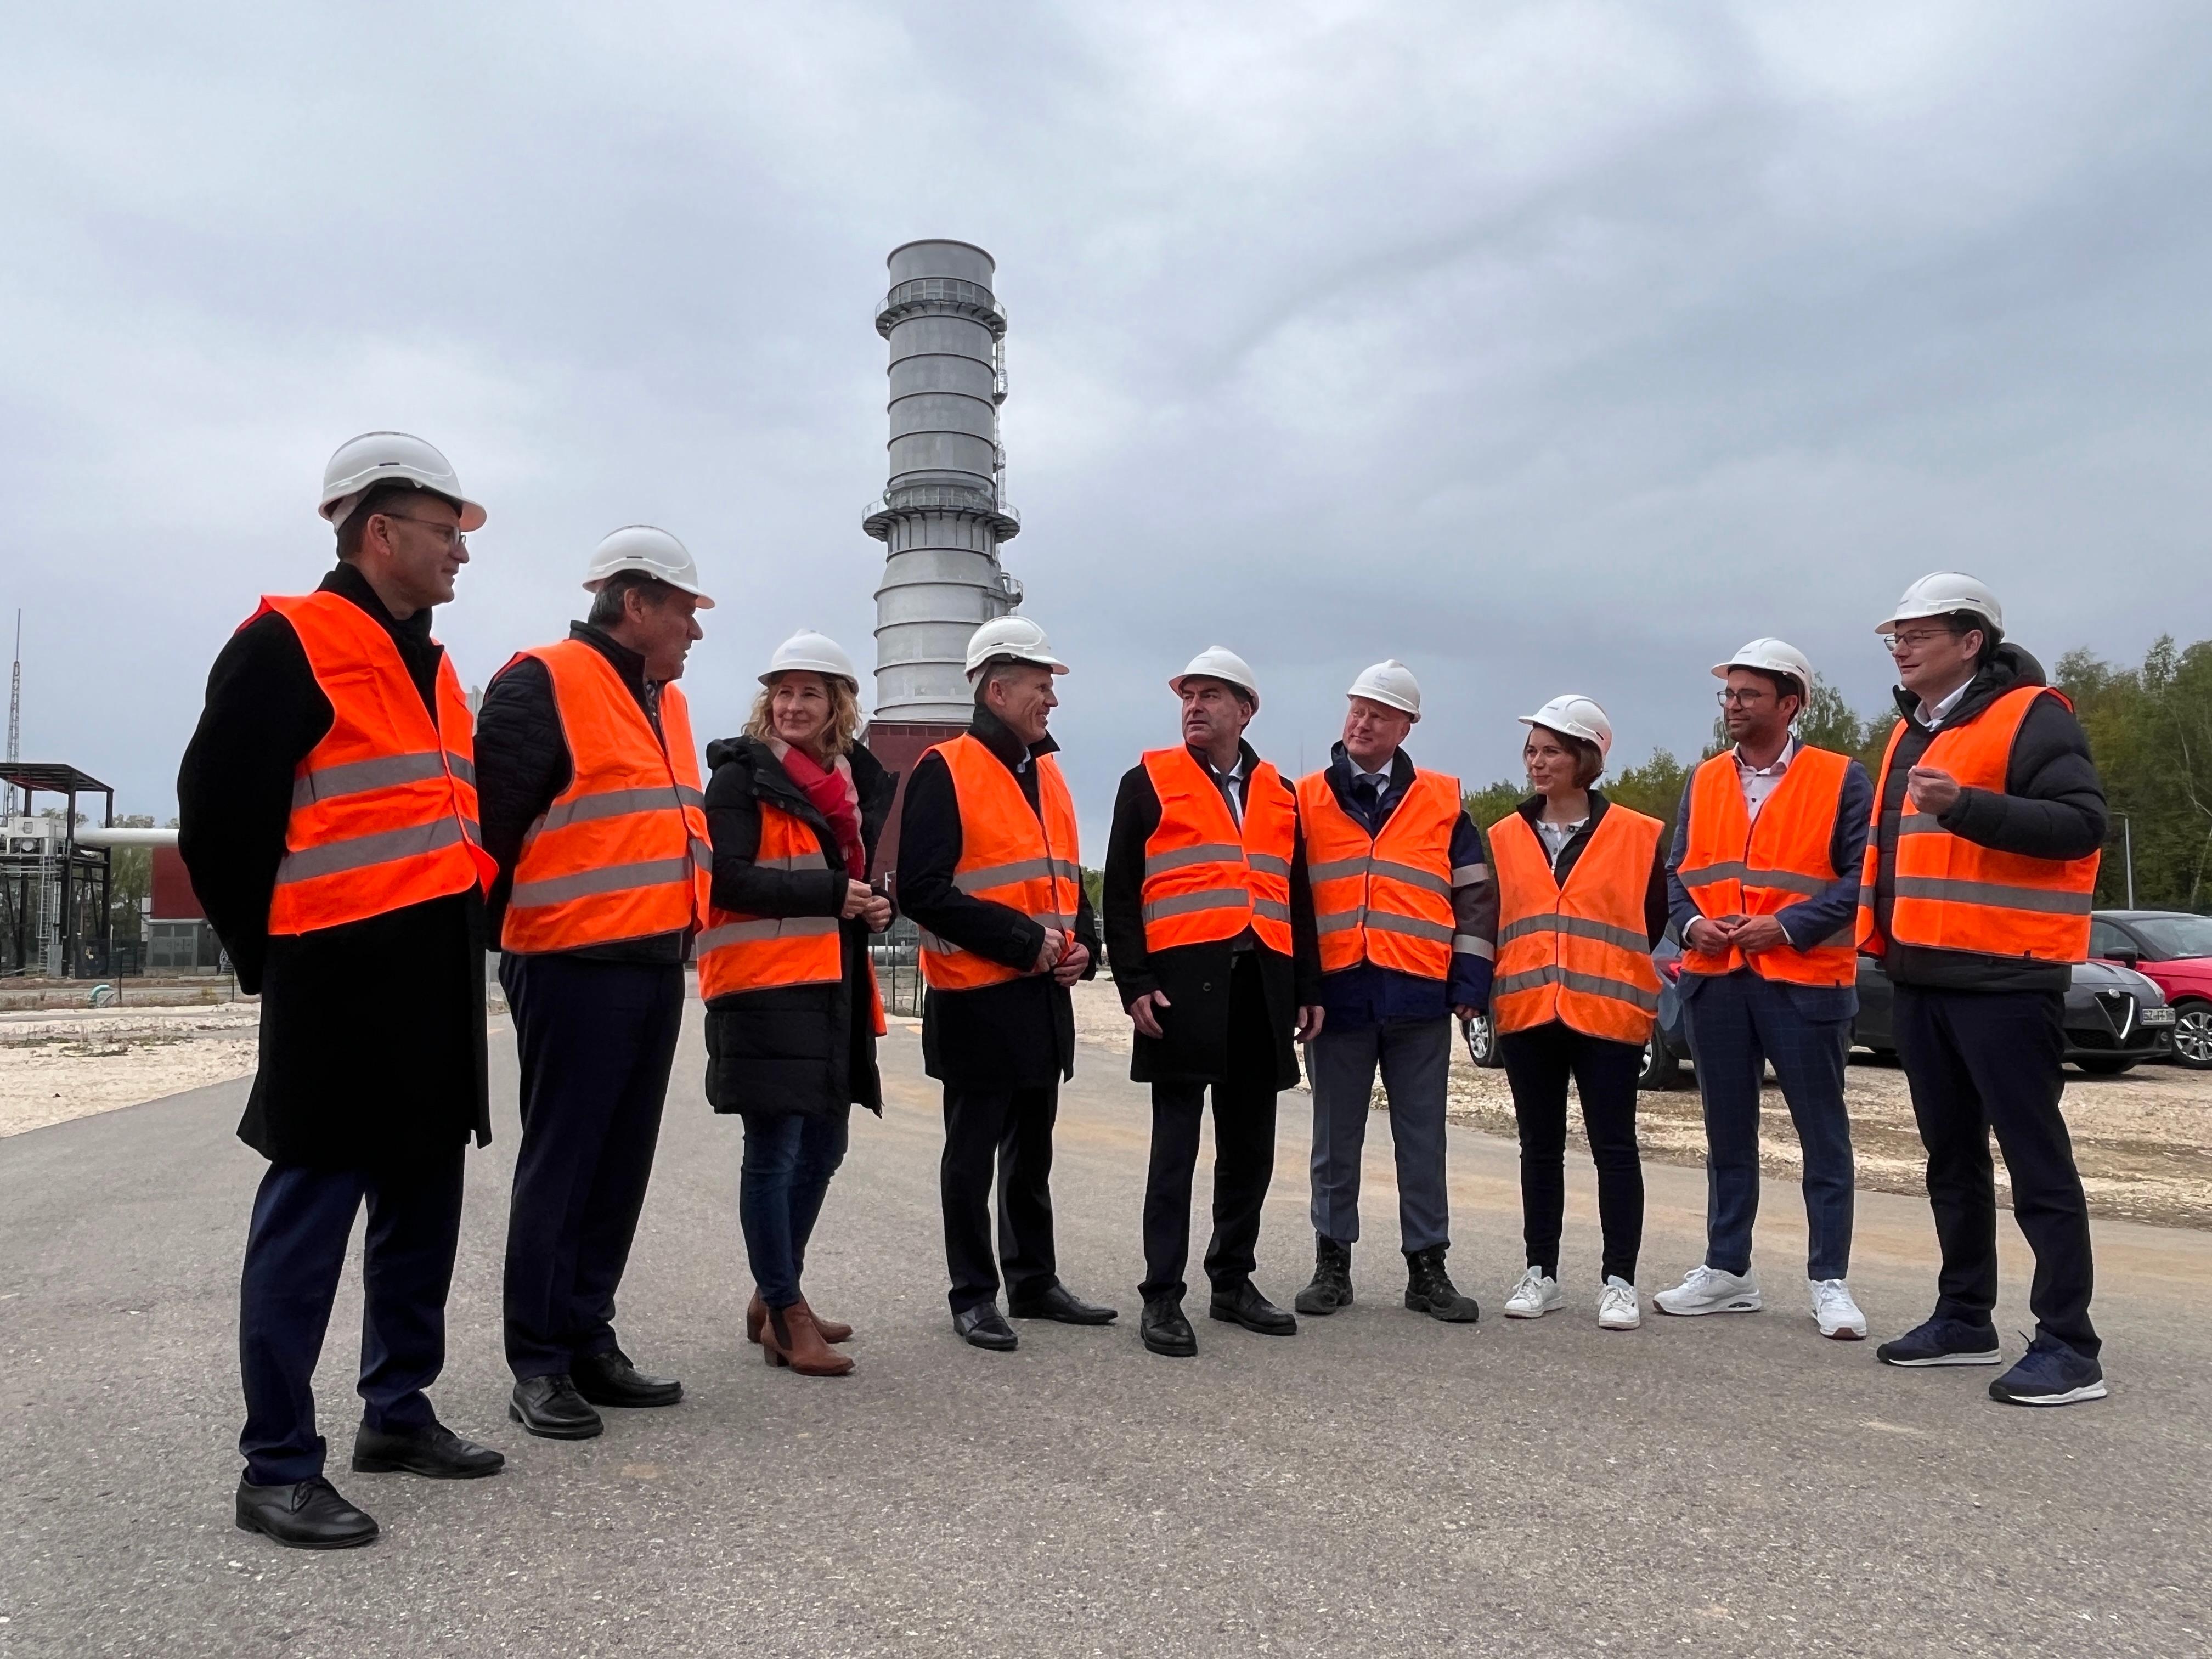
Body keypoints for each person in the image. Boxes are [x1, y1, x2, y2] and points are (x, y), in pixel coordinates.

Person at [179, 432, 504, 1551]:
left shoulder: (437, 663)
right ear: (379, 529)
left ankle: (397, 1413)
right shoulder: (287, 643)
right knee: (310, 1218)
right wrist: (278, 966)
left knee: (422, 1210)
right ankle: (275, 1466)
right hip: (335, 983)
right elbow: (218, 821)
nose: (461, 548)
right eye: (445, 527)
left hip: (433, 983)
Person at [474, 527, 712, 1439]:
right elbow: (488, 835)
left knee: (619, 1165)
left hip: (652, 964)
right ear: (635, 600)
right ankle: (537, 1359)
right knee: (564, 1162)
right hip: (568, 961)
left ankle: (587, 1334)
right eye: (686, 608)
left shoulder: (668, 706)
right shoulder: (544, 680)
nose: (695, 628)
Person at [1858, 574, 2108, 1406]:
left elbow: (2080, 826)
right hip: (1924, 976)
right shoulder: (1909, 734)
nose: (1901, 645)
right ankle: (1966, 1315)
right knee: (1951, 1161)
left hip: (2006, 975)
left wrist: (1968, 806)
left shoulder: (2035, 714)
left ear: (1973, 642)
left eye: (1919, 633)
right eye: (1895, 633)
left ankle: (2071, 1344)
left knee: (2037, 1163)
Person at [895, 616, 1117, 1352]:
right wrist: (1027, 943)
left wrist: (1082, 942)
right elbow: (924, 891)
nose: (1051, 698)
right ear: (997, 688)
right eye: (1041, 684)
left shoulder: (1047, 771)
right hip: (978, 995)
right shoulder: (945, 767)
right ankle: (973, 1293)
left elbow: (1065, 878)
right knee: (973, 1151)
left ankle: (1032, 1281)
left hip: (1041, 995)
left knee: (1033, 1149)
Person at [1103, 647, 1325, 1359]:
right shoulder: (1148, 782)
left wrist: (1308, 987)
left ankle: (1232, 1282)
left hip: (1261, 987)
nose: (1195, 706)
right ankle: (1162, 1296)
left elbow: (1299, 895)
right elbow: (1120, 894)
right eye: (1188, 695)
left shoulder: (1282, 794)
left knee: (1249, 1148)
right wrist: (1134, 983)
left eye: (1211, 696)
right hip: (1181, 987)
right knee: (1175, 1150)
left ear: (1246, 709)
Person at [1656, 639, 1872, 1340]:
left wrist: (1785, 928)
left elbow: (1858, 880)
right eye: (1728, 695)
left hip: (1804, 982)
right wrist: (1691, 930)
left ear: (1791, 703)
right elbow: (1677, 876)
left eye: (1748, 695)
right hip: (1716, 983)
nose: (1733, 706)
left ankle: (1829, 1281)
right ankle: (1728, 1270)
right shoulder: (1704, 780)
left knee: (1822, 1136)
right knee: (1727, 1133)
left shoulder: (1842, 779)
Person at [698, 631, 896, 1378]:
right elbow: (729, 880)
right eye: (782, 692)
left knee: (826, 1146)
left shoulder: (851, 783)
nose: (791, 705)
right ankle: (786, 1311)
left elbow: (837, 878)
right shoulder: (739, 778)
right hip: (762, 987)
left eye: (809, 693)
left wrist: (871, 904)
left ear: (838, 704)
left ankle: (776, 1293)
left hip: (831, 985)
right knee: (774, 1152)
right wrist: (830, 894)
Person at [1292, 660, 1493, 1324]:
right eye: (1356, 708)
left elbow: (1475, 899)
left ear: (1406, 726)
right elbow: (1288, 899)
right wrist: (1299, 985)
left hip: (1418, 997)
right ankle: (1332, 1264)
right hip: (1339, 997)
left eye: (1379, 713)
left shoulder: (1442, 800)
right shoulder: (1305, 799)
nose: (1362, 722)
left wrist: (1469, 983)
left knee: (1423, 1138)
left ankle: (1427, 1268)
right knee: (1334, 1138)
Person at [1487, 695, 1668, 1331]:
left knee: (1614, 1147)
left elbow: (1655, 922)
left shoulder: (1641, 835)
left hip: (1609, 1016)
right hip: (1530, 1012)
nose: (1538, 762)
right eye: (1532, 751)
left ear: (1585, 758)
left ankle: (1619, 1280)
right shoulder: (1504, 836)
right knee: (1539, 1148)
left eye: (1552, 751)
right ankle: (1541, 1272)